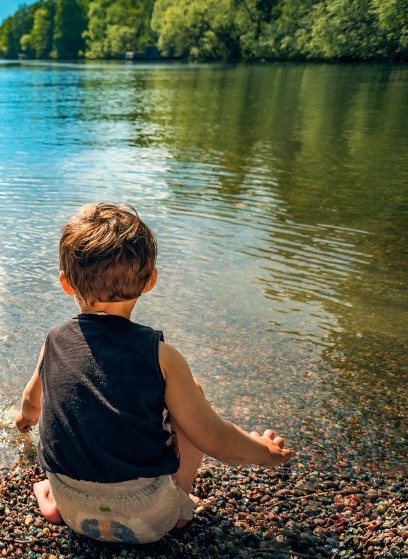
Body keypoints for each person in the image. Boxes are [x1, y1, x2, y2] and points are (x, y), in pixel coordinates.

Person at [15, 203, 293, 544]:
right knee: (190, 394)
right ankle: (180, 504)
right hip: (148, 519)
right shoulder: (161, 357)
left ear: (66, 284)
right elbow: (214, 439)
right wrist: (265, 452)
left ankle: (51, 499)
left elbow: (31, 402)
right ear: (150, 280)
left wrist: (23, 420)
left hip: (74, 510)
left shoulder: (53, 343)